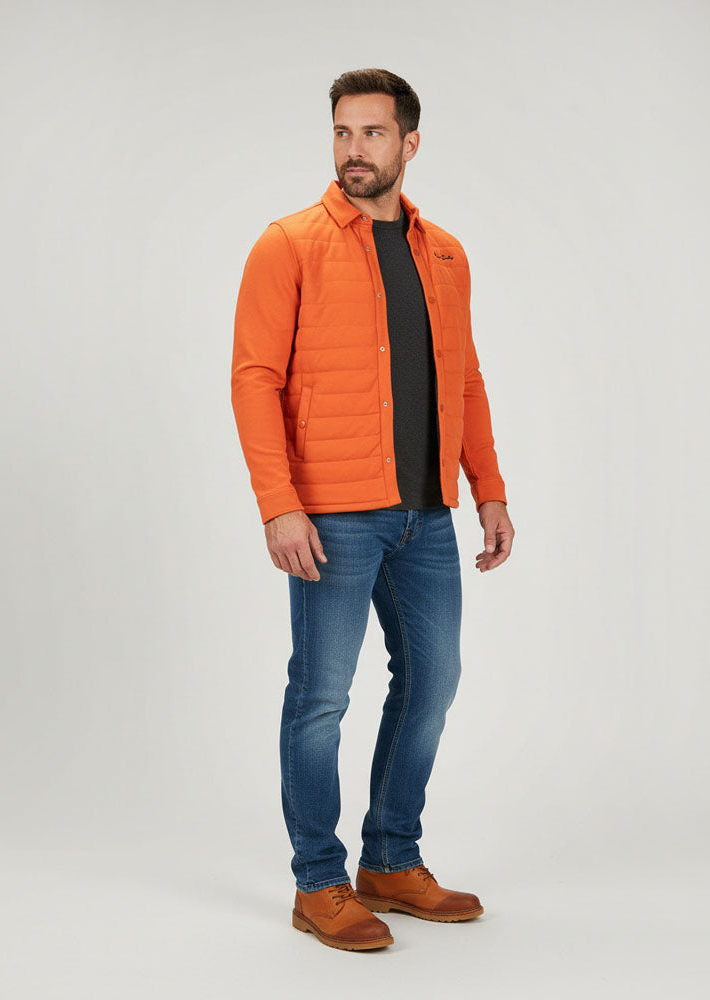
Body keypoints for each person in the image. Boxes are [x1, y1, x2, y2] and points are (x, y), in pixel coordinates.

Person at [231, 67, 515, 952]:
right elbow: (254, 379)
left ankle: (390, 860)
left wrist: (489, 488)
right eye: (343, 132)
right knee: (321, 696)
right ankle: (319, 881)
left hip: (426, 514)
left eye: (373, 133)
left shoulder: (445, 254)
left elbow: (464, 378)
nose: (354, 149)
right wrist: (279, 504)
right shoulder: (288, 244)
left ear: (409, 143)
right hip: (331, 516)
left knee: (434, 680)